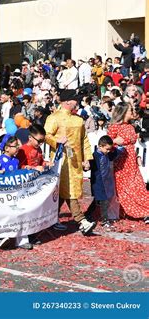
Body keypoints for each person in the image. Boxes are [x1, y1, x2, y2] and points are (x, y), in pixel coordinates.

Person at [44, 89, 96, 235]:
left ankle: (50, 218)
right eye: (75, 99)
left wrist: (87, 159)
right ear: (67, 101)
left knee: (63, 192)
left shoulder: (79, 120)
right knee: (69, 190)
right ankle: (82, 221)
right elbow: (46, 135)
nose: (77, 102)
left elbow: (84, 140)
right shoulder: (54, 117)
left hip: (76, 162)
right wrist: (56, 141)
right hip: (61, 162)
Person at [107, 103, 149, 221]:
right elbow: (105, 143)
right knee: (125, 188)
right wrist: (115, 140)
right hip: (120, 162)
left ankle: (145, 210)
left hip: (131, 161)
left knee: (138, 185)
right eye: (130, 110)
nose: (132, 112)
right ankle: (131, 211)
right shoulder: (115, 126)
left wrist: (137, 157)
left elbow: (132, 144)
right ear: (123, 112)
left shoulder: (131, 127)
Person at [86, 135, 120, 229]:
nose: (108, 151)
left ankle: (88, 214)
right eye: (107, 149)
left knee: (98, 200)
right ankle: (105, 220)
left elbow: (115, 154)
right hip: (97, 182)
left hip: (105, 182)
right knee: (103, 200)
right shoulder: (95, 155)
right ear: (100, 146)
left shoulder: (106, 154)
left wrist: (115, 147)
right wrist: (85, 167)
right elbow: (89, 165)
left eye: (110, 149)